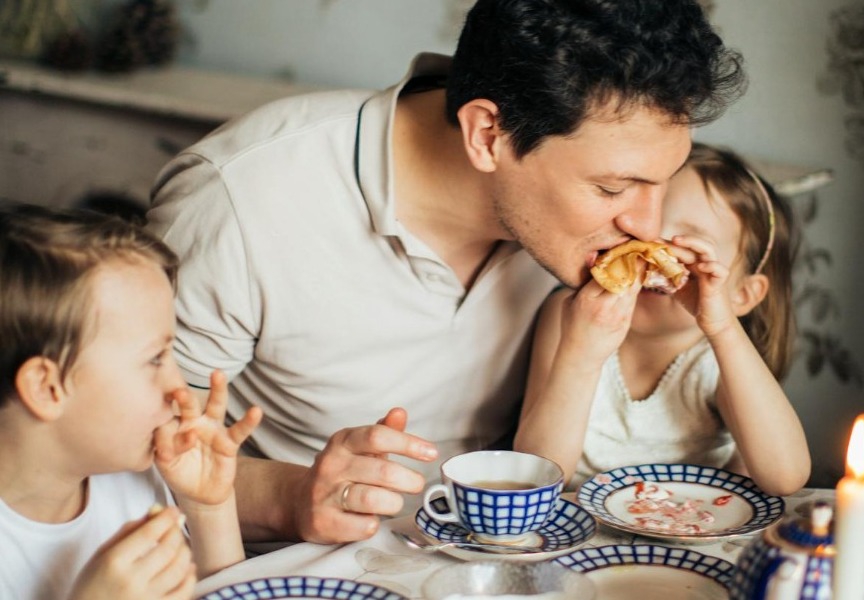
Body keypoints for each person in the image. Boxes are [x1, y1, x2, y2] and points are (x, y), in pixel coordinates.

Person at [146, 0, 746, 544]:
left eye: (662, 182)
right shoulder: (239, 199)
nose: (647, 223)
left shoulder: (581, 233)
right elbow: (130, 457)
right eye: (613, 187)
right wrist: (291, 496)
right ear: (488, 134)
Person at [514, 143, 811, 496]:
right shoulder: (571, 316)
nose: (654, 256)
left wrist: (723, 328)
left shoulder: (717, 359)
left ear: (741, 295)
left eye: (688, 247)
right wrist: (580, 355)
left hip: (691, 531)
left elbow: (786, 477)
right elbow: (535, 477)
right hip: (583, 532)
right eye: (644, 236)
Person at [0, 203, 262, 599]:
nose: (180, 388)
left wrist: (209, 509)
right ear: (47, 389)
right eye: (155, 358)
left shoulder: (128, 474)